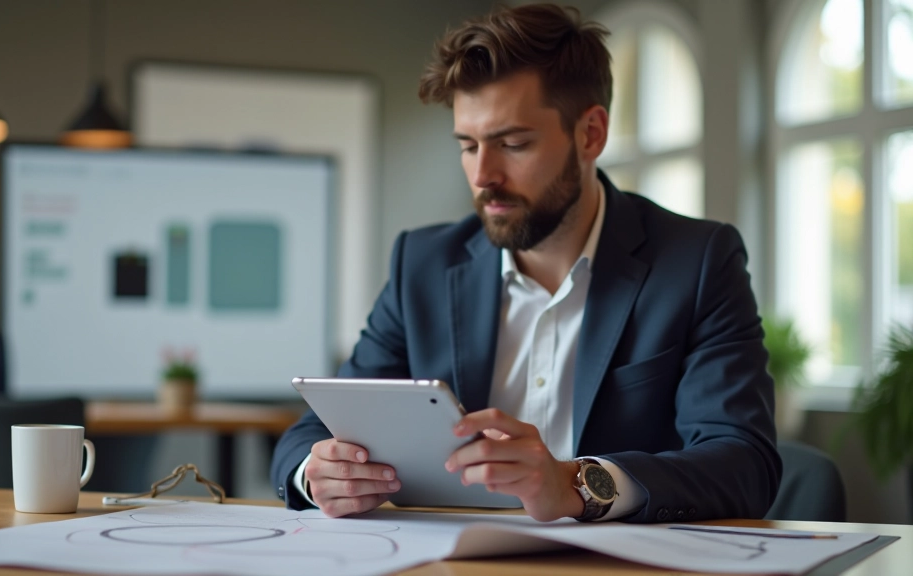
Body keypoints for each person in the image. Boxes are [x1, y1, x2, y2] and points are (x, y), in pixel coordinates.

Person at [271, 3, 780, 523]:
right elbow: (311, 434)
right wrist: (319, 475)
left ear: (591, 134)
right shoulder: (421, 264)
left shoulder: (697, 263)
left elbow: (745, 463)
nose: (483, 174)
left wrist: (576, 484)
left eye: (512, 143)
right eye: (467, 146)